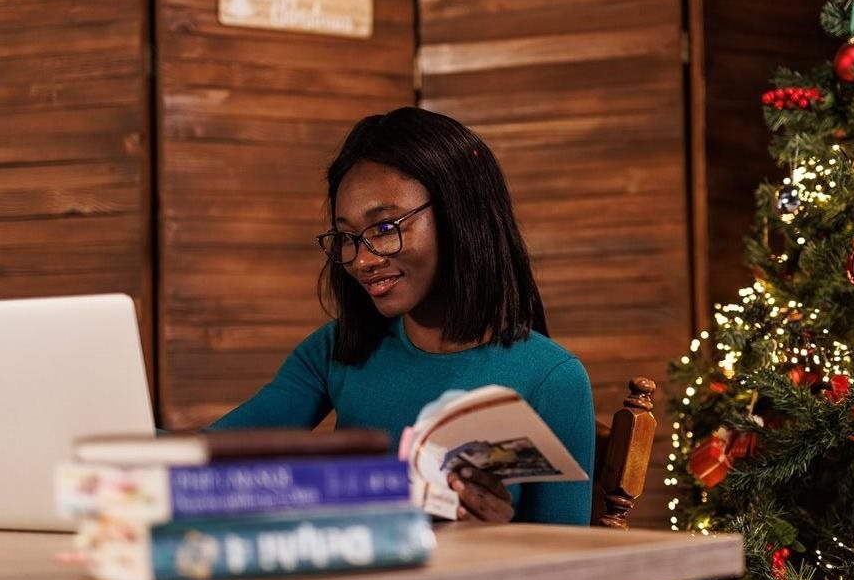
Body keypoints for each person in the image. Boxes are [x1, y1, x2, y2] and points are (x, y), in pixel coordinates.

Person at [210, 107, 595, 525]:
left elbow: (568, 566)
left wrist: (492, 538)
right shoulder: (338, 350)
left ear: (457, 215)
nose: (360, 261)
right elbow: (209, 456)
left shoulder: (551, 379)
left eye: (385, 227)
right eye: (348, 237)